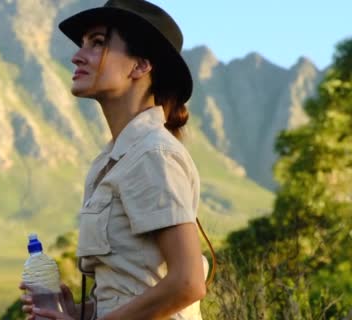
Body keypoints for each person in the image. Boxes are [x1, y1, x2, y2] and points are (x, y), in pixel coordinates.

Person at [20, 0, 211, 319]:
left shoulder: (152, 153)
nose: (77, 56)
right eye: (83, 44)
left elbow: (187, 283)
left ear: (140, 66)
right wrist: (77, 312)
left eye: (97, 43)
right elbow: (134, 289)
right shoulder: (115, 159)